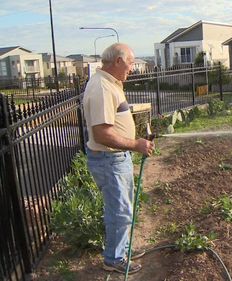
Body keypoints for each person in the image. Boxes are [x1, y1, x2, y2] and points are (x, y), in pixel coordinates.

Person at [83, 43, 154, 274]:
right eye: (131, 63)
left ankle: (122, 249)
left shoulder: (110, 83)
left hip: (115, 159)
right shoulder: (102, 87)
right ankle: (114, 259)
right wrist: (136, 144)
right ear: (118, 61)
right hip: (109, 160)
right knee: (120, 211)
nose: (132, 68)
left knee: (123, 207)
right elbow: (102, 134)